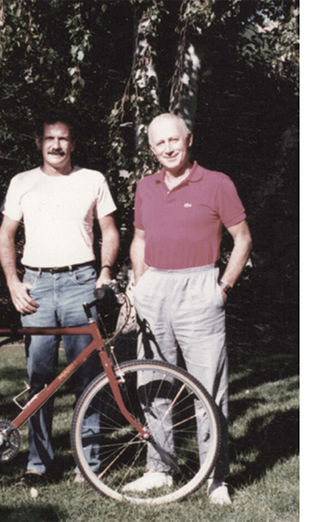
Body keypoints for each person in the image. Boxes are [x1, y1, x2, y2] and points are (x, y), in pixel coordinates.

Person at [126, 113, 252, 505]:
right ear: (151, 148)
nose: (168, 148)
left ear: (189, 139)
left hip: (201, 288)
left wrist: (223, 288)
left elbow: (243, 239)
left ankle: (216, 477)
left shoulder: (217, 183)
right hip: (154, 286)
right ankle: (159, 469)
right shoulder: (145, 187)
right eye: (159, 143)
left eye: (174, 140)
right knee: (153, 381)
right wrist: (139, 282)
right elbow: (140, 239)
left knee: (208, 387)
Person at [0, 113, 120, 484]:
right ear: (39, 143)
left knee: (88, 376)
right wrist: (13, 283)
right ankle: (38, 462)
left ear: (73, 143)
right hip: (35, 287)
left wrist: (105, 272)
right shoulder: (22, 182)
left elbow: (110, 231)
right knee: (39, 378)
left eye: (63, 139)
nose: (56, 145)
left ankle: (90, 464)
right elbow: (5, 234)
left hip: (81, 282)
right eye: (49, 138)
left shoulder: (92, 179)